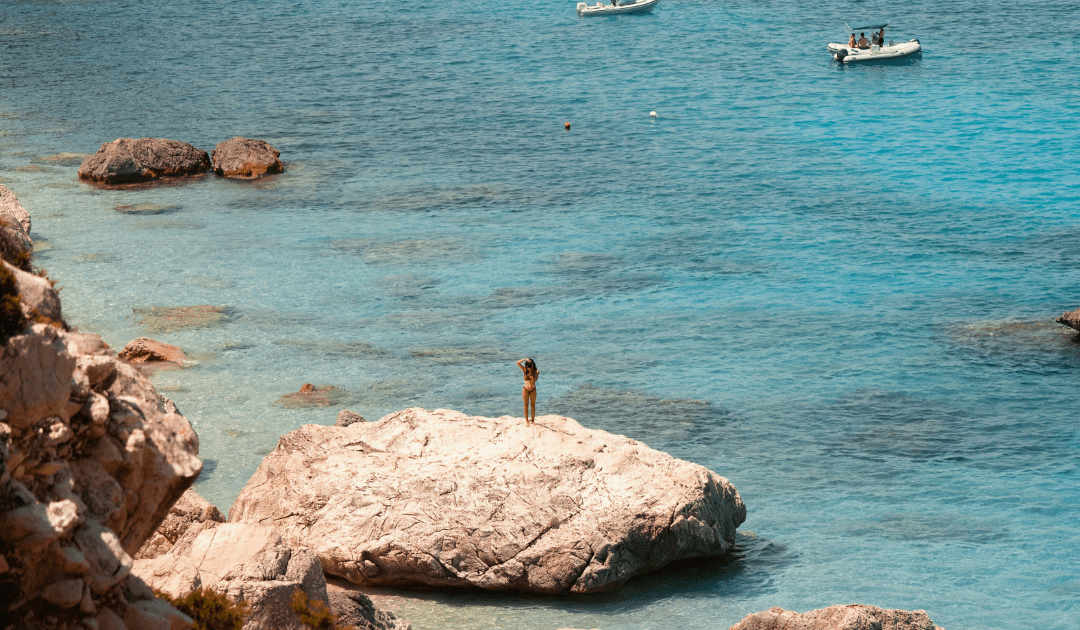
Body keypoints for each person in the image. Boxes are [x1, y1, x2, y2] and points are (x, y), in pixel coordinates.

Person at [517, 358, 538, 426]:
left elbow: (535, 379)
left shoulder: (536, 371)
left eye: (530, 364)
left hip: (533, 390)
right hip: (525, 389)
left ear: (533, 364)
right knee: (526, 405)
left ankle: (532, 420)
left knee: (533, 405)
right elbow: (518, 363)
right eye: (528, 364)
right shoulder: (524, 370)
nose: (529, 366)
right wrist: (524, 359)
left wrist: (531, 372)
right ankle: (526, 420)